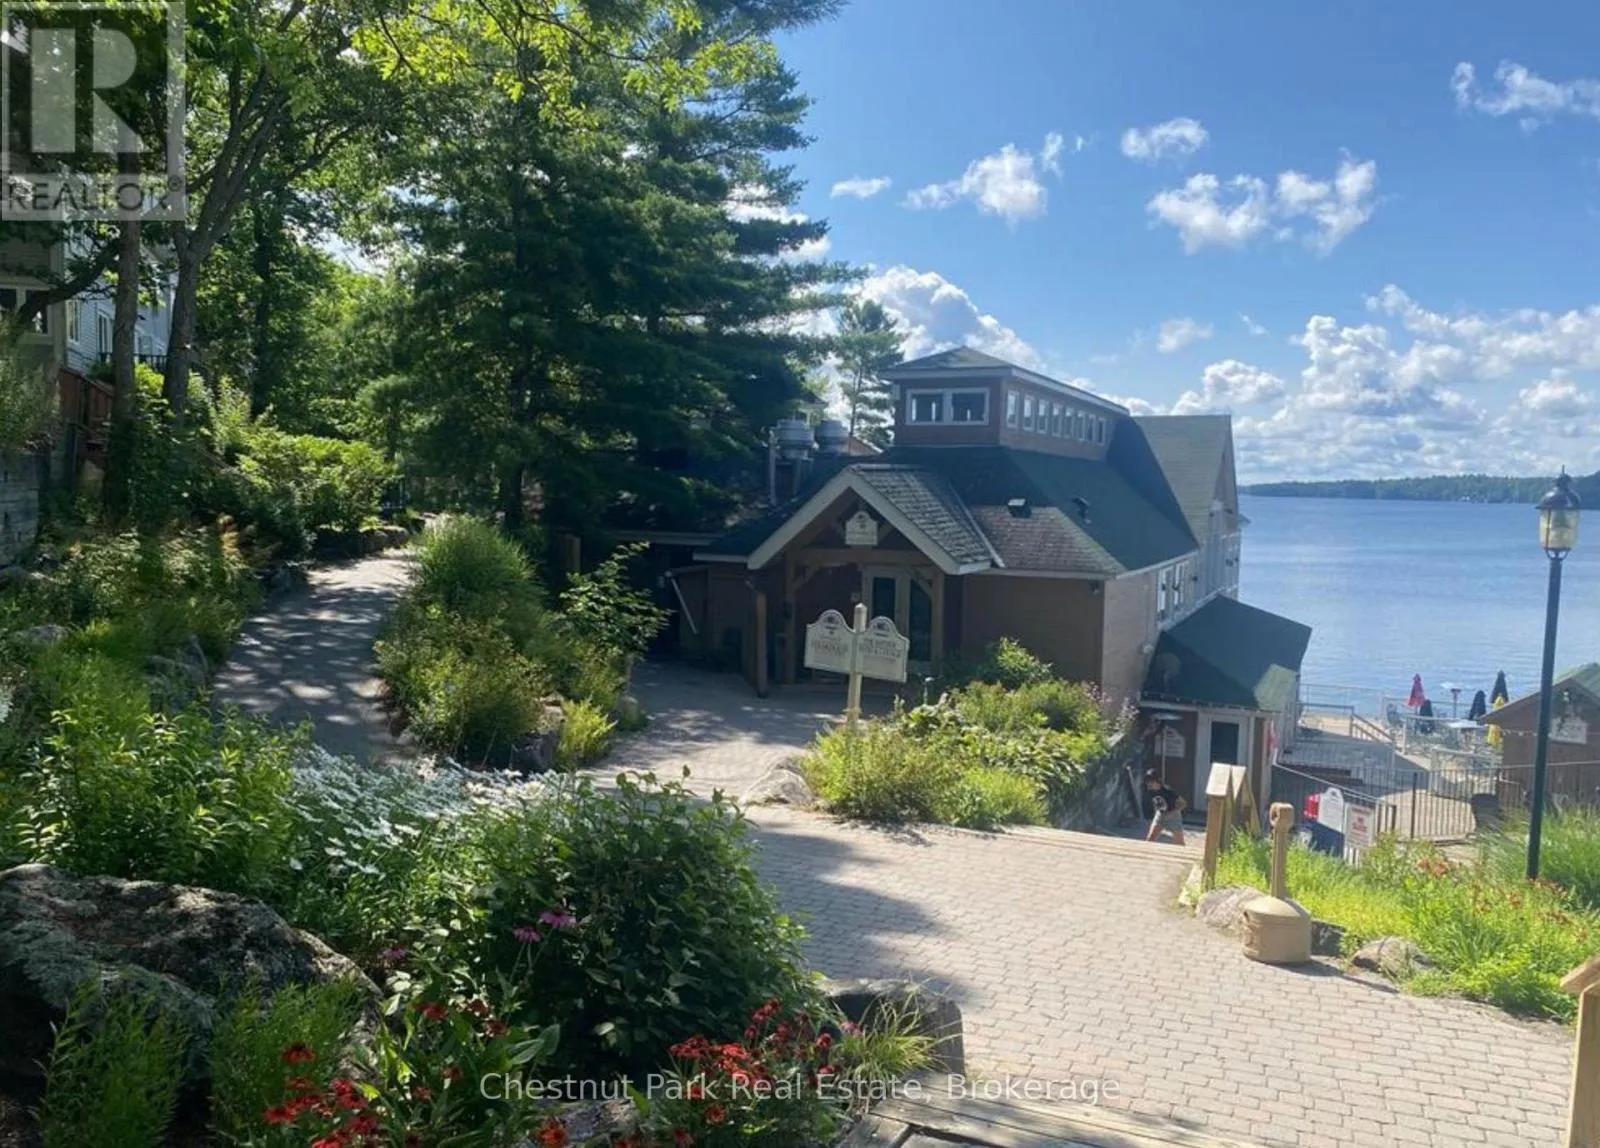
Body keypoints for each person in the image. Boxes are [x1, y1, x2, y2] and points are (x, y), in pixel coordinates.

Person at [1143, 769, 1187, 845]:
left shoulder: (1168, 791)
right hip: (1160, 815)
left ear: (1156, 781)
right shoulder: (1149, 791)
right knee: (1150, 838)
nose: (1148, 783)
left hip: (1173, 816)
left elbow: (1183, 803)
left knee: (1179, 843)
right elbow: (1155, 803)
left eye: (1150, 781)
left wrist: (1174, 811)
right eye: (1147, 781)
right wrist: (1157, 812)